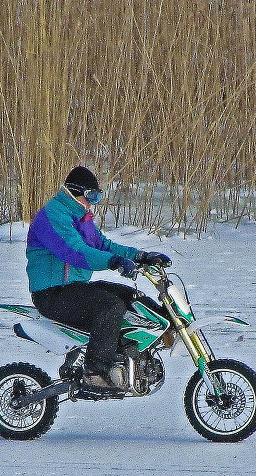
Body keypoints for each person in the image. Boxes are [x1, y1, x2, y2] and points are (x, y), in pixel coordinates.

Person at [26, 166, 170, 391]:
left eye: (98, 196)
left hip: (74, 287)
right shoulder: (52, 216)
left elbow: (104, 245)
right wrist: (113, 262)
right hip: (52, 293)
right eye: (92, 196)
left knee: (132, 297)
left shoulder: (81, 217)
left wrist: (140, 256)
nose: (93, 202)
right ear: (75, 192)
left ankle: (157, 339)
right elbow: (74, 251)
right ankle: (95, 371)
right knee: (110, 306)